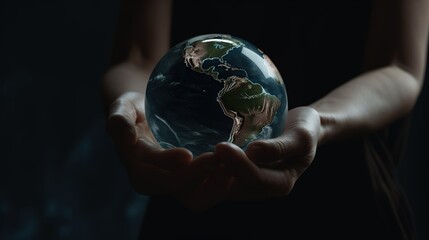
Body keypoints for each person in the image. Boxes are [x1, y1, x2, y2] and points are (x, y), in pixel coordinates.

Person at [101, 0, 429, 239]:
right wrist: (132, 109)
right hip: (190, 194)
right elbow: (139, 58)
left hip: (347, 208)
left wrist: (320, 121)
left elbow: (397, 66)